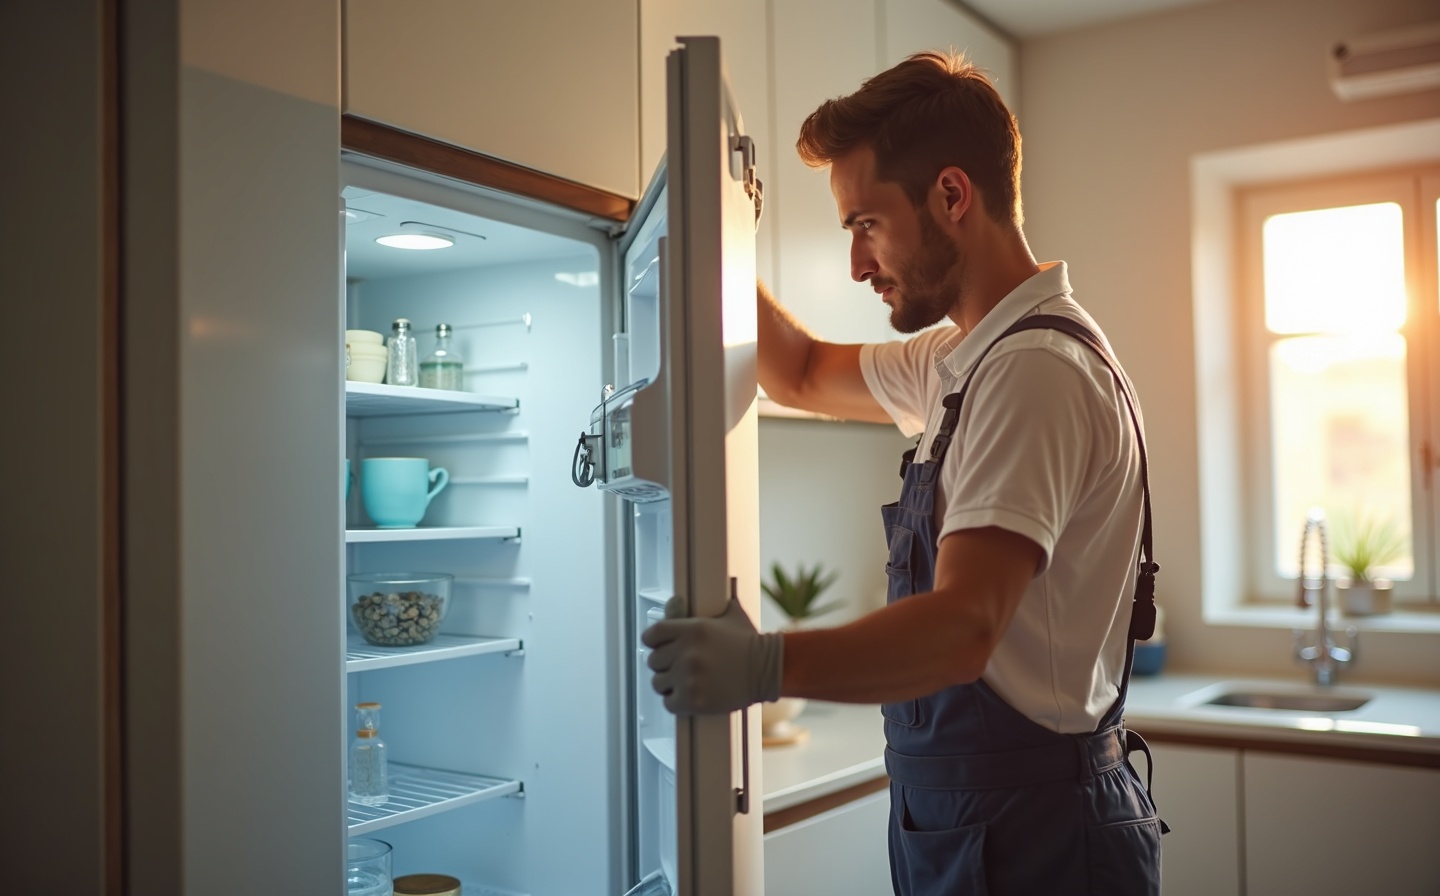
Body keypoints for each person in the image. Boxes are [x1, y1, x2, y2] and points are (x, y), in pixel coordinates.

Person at [642, 51, 1164, 895]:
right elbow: (802, 370)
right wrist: (716, 225)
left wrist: (765, 665)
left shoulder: (1034, 370)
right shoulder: (961, 357)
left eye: (865, 224)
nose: (856, 263)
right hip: (972, 821)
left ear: (952, 196)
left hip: (1039, 841)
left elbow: (963, 626)